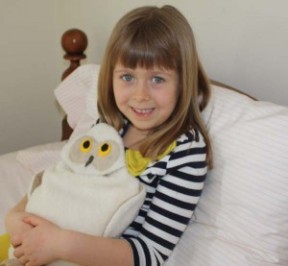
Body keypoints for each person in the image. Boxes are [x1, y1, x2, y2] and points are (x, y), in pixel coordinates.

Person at [5, 5, 212, 266]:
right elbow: (63, 175)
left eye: (158, 79)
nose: (140, 95)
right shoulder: (110, 125)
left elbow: (149, 253)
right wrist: (16, 215)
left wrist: (60, 244)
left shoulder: (185, 152)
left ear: (184, 81)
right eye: (127, 76)